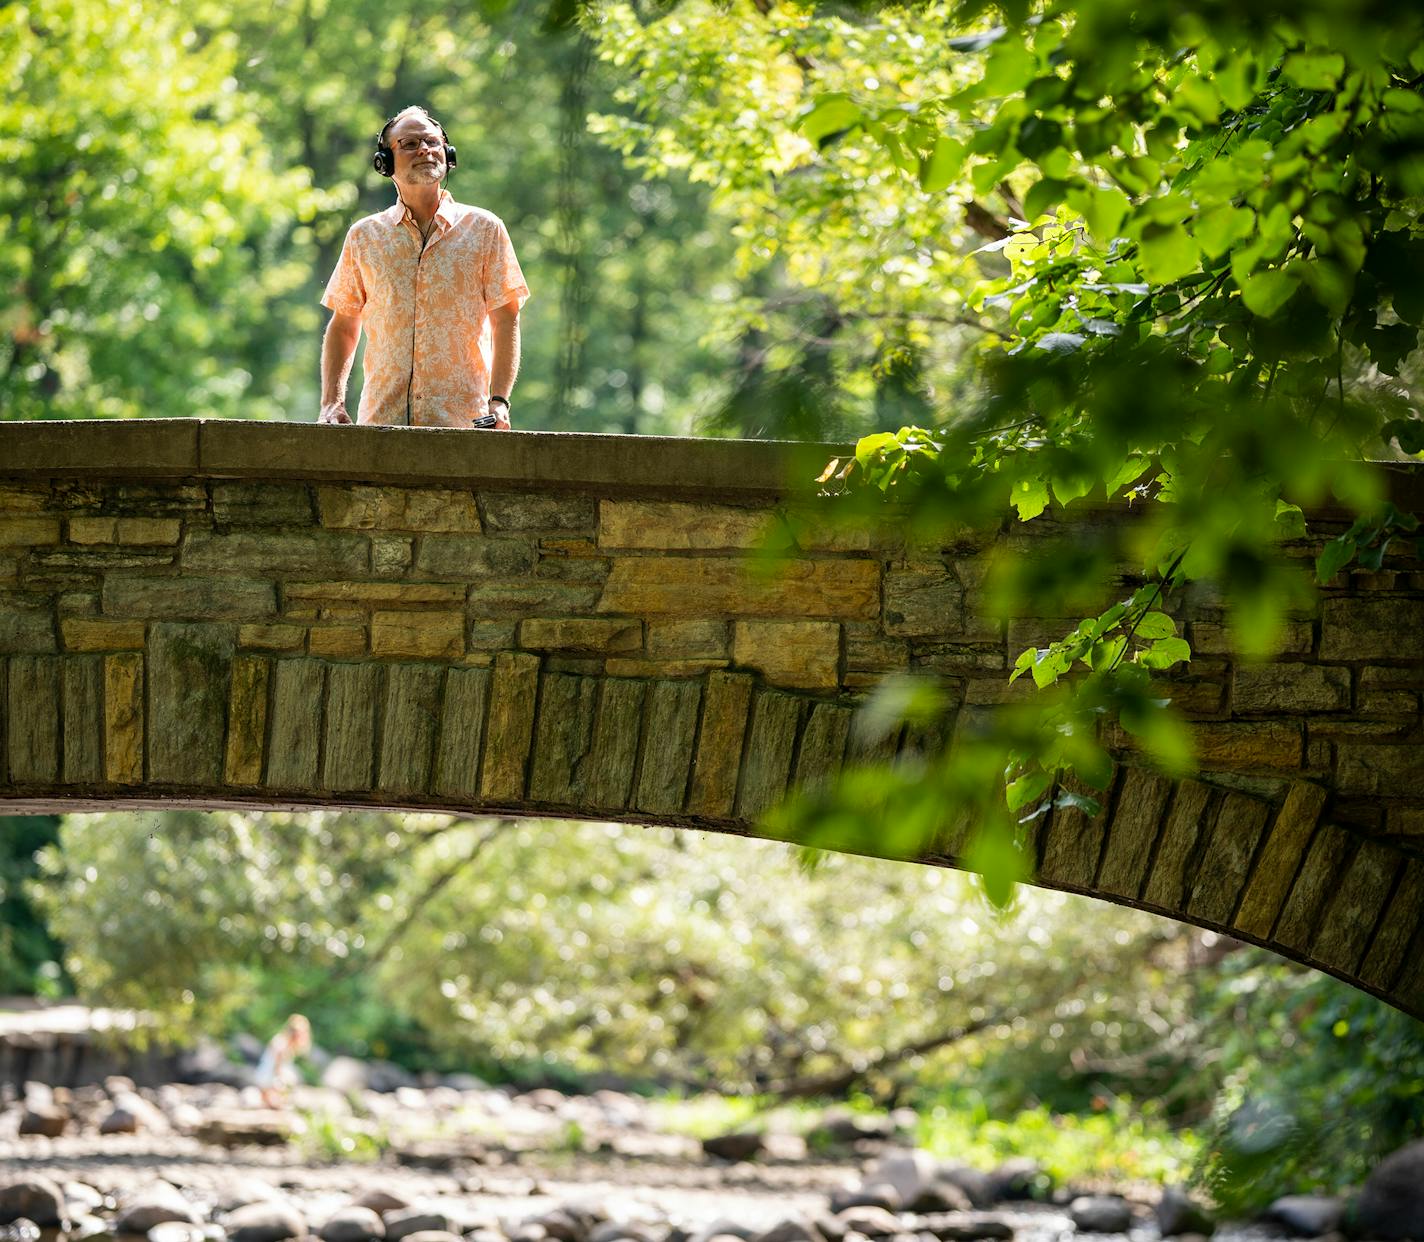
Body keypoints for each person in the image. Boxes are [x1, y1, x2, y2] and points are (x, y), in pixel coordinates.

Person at [318, 106, 530, 429]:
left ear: (448, 156)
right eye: (410, 144)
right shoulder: (364, 237)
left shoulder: (486, 230)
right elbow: (344, 326)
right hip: (379, 425)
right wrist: (331, 404)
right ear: (384, 162)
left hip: (464, 428)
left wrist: (499, 401)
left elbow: (506, 319)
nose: (425, 151)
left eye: (432, 142)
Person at [254, 1013, 311, 1109]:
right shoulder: (281, 1044)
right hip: (267, 1077)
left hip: (270, 1077)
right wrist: (280, 1086)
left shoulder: (286, 1044)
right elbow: (276, 1070)